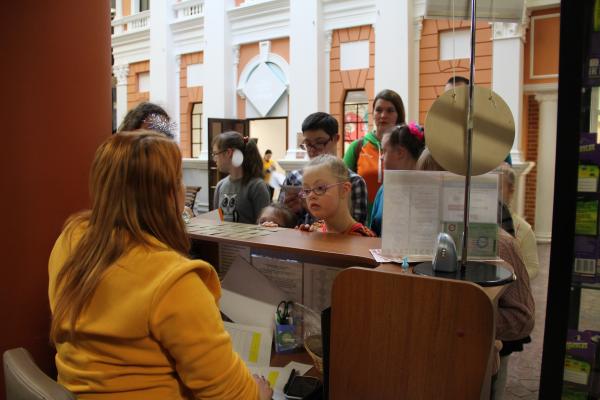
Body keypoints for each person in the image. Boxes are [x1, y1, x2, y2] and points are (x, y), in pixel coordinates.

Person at [48, 131, 272, 400]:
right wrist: (259, 393)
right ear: (168, 194)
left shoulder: (71, 238)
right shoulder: (173, 280)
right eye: (180, 178)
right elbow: (232, 395)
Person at [417, 149, 534, 400]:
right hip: (425, 362)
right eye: (424, 184)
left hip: (473, 365)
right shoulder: (417, 237)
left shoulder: (500, 243)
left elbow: (522, 318)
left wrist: (465, 322)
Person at [279, 112, 368, 226]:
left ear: (335, 139)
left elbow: (355, 229)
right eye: (308, 144)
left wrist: (309, 207)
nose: (312, 149)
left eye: (319, 143)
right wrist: (286, 212)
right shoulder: (294, 178)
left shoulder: (353, 181)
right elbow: (281, 223)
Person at [343, 89, 406, 217]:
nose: (383, 115)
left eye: (390, 110)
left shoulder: (407, 148)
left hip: (399, 218)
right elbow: (341, 183)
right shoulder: (357, 146)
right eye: (378, 110)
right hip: (362, 220)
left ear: (399, 114)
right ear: (373, 113)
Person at [299, 154, 376, 237]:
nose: (311, 196)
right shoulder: (314, 230)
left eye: (320, 188)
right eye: (307, 190)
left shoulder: (362, 237)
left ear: (344, 190)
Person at [444, 76, 513, 166]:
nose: (453, 101)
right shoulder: (437, 130)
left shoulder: (492, 133)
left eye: (459, 95)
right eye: (447, 96)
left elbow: (507, 169)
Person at [370, 123, 425, 236]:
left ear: (400, 152)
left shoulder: (427, 189)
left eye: (384, 151)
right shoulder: (383, 190)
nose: (381, 157)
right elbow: (372, 232)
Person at [211, 131, 271, 224]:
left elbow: (263, 225)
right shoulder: (220, 186)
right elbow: (217, 222)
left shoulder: (257, 186)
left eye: (215, 154)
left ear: (229, 153)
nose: (214, 158)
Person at [500, 163, 540, 280]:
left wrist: (510, 278)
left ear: (511, 191)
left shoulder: (523, 229)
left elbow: (533, 267)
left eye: (499, 187)